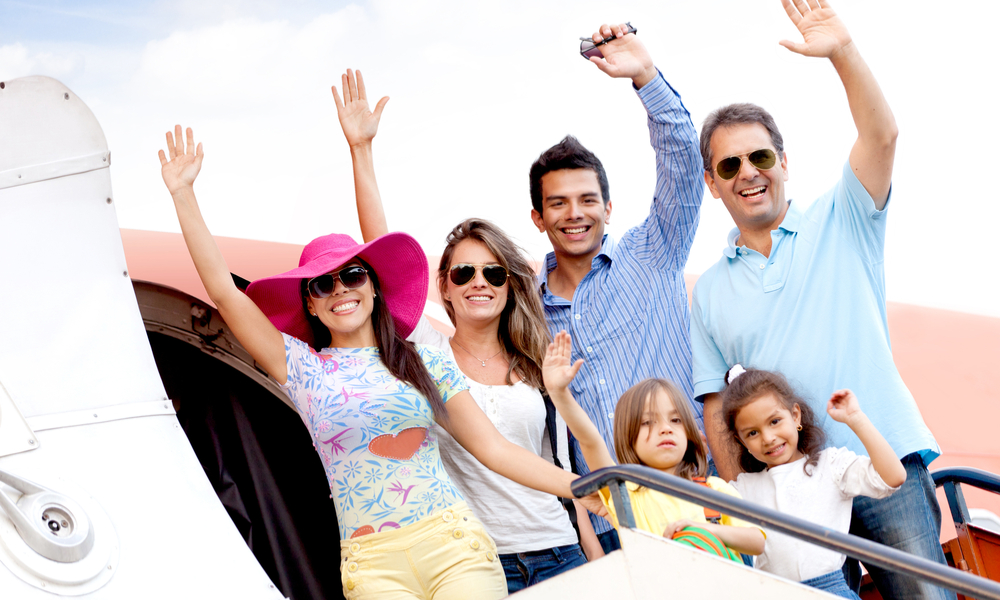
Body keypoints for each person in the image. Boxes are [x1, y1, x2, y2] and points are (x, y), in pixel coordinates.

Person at [157, 125, 606, 599]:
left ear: (373, 285)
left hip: (452, 544)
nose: (341, 290)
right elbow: (226, 294)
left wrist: (580, 487)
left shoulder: (423, 360)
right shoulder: (302, 368)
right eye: (323, 284)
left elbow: (494, 449)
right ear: (309, 303)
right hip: (372, 563)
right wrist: (184, 194)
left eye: (352, 275)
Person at [690, 1, 949, 597]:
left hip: (882, 462)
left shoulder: (846, 215)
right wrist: (741, 501)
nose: (748, 172)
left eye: (760, 157)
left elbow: (881, 133)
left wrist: (841, 51)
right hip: (788, 491)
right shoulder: (710, 291)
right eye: (729, 165)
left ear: (783, 161)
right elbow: (713, 404)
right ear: (712, 183)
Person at [331, 68, 593, 592]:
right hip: (477, 560)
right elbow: (379, 254)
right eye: (464, 272)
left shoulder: (536, 360)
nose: (480, 282)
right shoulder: (425, 353)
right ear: (442, 287)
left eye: (494, 273)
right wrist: (361, 150)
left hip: (558, 548)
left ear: (509, 286)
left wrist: (588, 543)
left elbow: (556, 460)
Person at [529, 22, 703, 555]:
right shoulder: (527, 310)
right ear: (538, 218)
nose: (574, 213)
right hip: (608, 521)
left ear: (609, 207)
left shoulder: (654, 250)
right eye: (557, 203)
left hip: (690, 500)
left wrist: (645, 77)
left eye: (587, 199)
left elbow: (684, 166)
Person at [542, 331, 765, 560]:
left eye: (676, 420)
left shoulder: (713, 489)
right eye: (648, 422)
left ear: (690, 434)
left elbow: (757, 541)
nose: (665, 428)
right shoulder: (625, 494)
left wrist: (706, 530)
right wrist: (559, 393)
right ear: (629, 439)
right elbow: (590, 442)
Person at [721, 366, 904, 598]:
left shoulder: (830, 466)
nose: (768, 438)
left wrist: (856, 419)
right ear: (740, 440)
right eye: (752, 433)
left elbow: (893, 477)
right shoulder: (743, 488)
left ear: (795, 415)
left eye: (775, 421)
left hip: (830, 592)